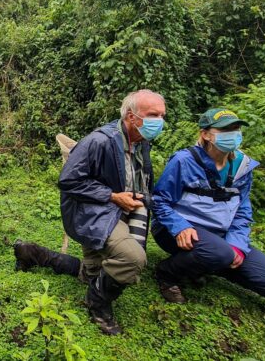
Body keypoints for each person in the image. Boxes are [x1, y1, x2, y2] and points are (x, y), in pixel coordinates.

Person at [13, 89, 166, 335]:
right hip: (92, 210)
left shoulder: (141, 142)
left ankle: (33, 254)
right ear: (131, 116)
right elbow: (68, 181)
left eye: (161, 115)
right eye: (153, 115)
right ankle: (97, 302)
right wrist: (112, 196)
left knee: (95, 272)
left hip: (119, 209)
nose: (159, 121)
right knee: (132, 259)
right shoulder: (99, 141)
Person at [151, 108, 265, 304]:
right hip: (177, 231)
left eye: (236, 129)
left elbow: (242, 211)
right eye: (225, 130)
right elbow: (159, 201)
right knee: (219, 252)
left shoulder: (243, 167)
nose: (233, 135)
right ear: (205, 134)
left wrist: (237, 245)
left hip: (221, 236)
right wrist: (180, 226)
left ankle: (210, 263)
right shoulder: (184, 161)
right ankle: (166, 273)